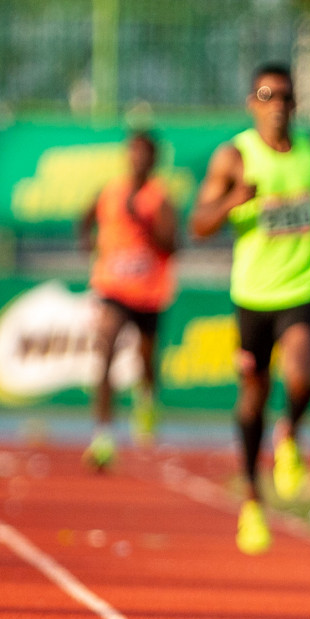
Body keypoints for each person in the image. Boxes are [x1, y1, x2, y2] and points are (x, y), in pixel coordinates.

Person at [190, 63, 310, 554]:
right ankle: (252, 501)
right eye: (266, 95)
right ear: (251, 103)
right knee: (251, 397)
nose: (276, 104)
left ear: (295, 104)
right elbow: (198, 223)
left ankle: (291, 433)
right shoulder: (235, 156)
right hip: (253, 295)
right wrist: (235, 198)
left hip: (302, 287)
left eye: (284, 96)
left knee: (300, 379)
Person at [77, 131, 177, 469]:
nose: (138, 160)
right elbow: (85, 217)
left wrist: (145, 224)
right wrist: (87, 244)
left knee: (146, 359)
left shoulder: (160, 198)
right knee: (105, 349)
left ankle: (146, 400)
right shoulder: (111, 191)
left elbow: (172, 244)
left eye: (145, 155)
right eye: (133, 153)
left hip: (148, 292)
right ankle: (103, 435)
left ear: (153, 160)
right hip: (112, 287)